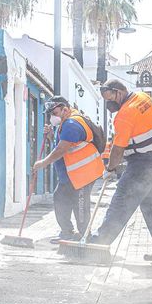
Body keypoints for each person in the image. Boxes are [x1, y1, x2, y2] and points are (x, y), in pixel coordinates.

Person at [91, 81, 152, 261]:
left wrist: (110, 168)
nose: (109, 104)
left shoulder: (124, 114)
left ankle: (99, 243)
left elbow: (118, 149)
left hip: (143, 164)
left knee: (121, 202)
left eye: (110, 98)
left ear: (119, 92)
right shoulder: (143, 98)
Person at [32, 96, 104, 243]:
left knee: (80, 205)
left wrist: (44, 162)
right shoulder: (65, 123)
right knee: (61, 199)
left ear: (64, 108)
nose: (52, 117)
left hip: (83, 174)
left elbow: (62, 149)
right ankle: (67, 232)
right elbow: (65, 145)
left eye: (54, 112)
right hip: (71, 175)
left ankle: (85, 236)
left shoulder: (71, 123)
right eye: (50, 114)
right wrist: (52, 136)